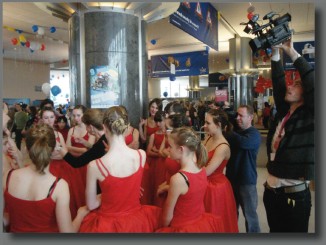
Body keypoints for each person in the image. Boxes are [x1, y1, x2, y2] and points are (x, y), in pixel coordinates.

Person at [79, 106, 161, 232]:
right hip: (136, 221)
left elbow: (91, 204)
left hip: (109, 223)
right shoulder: (141, 155)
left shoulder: (95, 165)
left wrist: (106, 195)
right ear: (126, 127)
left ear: (104, 128)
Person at [264, 37, 314, 232]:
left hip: (294, 195)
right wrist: (276, 53)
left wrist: (291, 51)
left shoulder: (311, 115)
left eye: (296, 85)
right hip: (271, 192)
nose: (289, 86)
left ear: (307, 93)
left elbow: (313, 81)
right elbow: (278, 84)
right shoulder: (285, 113)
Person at [3, 124, 89, 232]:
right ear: (53, 150)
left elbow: (6, 217)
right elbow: (67, 233)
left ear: (26, 148)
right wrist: (80, 215)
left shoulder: (8, 177)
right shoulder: (59, 186)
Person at [156, 127, 224, 232]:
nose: (168, 150)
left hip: (181, 226)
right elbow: (191, 191)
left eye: (170, 146)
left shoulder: (178, 179)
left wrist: (161, 228)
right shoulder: (201, 169)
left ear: (181, 149)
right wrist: (167, 187)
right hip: (198, 222)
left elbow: (167, 217)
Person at [225, 104, 261, 233]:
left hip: (247, 181)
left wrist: (227, 132)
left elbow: (243, 143)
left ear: (250, 117)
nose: (238, 118)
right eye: (237, 115)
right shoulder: (235, 133)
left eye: (241, 115)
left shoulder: (254, 134)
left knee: (250, 216)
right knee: (231, 213)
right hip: (231, 179)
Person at [203, 109, 239, 233]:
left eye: (208, 123)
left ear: (218, 125)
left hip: (216, 188)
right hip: (204, 183)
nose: (204, 126)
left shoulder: (223, 147)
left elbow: (207, 171)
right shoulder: (208, 138)